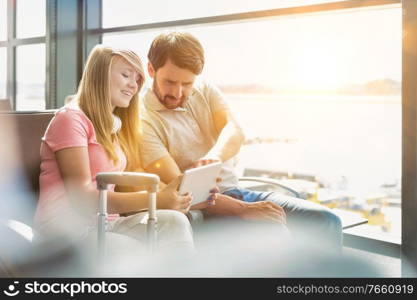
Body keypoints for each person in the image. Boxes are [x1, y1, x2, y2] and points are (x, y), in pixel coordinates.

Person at [139, 32, 343, 250]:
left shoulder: (205, 90)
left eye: (187, 84)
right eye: (170, 82)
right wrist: (244, 210)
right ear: (151, 70)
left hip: (237, 191)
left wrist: (213, 158)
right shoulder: (142, 119)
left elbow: (235, 131)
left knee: (327, 221)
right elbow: (184, 192)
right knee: (273, 233)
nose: (178, 93)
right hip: (203, 209)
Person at [35, 45, 195, 256]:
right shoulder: (70, 119)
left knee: (175, 221)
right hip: (67, 231)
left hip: (105, 223)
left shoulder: (111, 126)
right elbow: (82, 198)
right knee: (135, 251)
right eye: (126, 75)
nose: (133, 85)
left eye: (137, 79)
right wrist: (155, 199)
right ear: (99, 75)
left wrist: (169, 195)